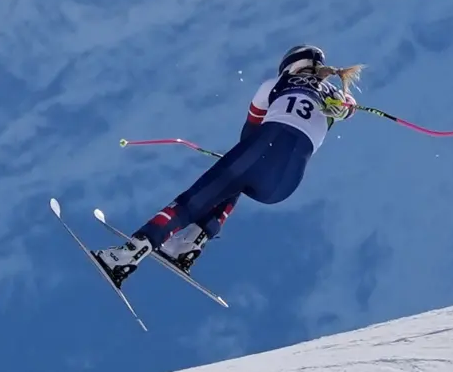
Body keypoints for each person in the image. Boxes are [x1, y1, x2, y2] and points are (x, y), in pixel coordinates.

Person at [92, 45, 363, 288]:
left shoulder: (275, 84)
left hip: (262, 148)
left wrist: (238, 156)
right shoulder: (335, 97)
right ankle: (189, 243)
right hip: (284, 185)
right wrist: (345, 108)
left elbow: (250, 131)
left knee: (195, 200)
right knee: (237, 183)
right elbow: (349, 106)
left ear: (290, 65)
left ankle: (125, 256)